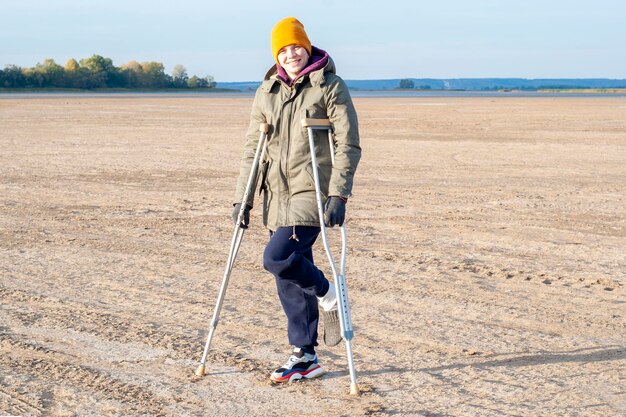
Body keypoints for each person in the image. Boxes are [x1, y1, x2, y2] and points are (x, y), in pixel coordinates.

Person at [232, 16, 361, 383]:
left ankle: (329, 291)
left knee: (277, 257)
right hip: (276, 195)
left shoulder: (330, 87)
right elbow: (251, 149)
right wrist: (243, 199)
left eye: (297, 47)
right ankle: (304, 356)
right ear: (277, 54)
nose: (291, 55)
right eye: (284, 49)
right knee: (288, 278)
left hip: (310, 192)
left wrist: (339, 193)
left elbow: (348, 144)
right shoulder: (267, 91)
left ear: (307, 47)